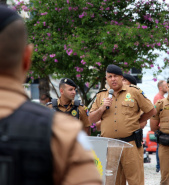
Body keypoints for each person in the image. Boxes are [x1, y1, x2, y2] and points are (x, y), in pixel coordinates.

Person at [0, 5, 101, 185]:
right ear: (27, 58)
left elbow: (88, 127)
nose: (73, 92)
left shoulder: (74, 116)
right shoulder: (62, 133)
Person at [89, 64, 156, 185]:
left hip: (130, 144)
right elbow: (91, 119)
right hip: (110, 146)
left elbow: (151, 110)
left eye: (115, 76)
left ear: (121, 77)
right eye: (110, 77)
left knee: (135, 181)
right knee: (113, 181)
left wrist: (137, 121)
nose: (113, 79)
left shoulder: (134, 92)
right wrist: (102, 108)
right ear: (106, 79)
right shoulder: (101, 95)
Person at [153, 80, 167, 173]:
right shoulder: (158, 98)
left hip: (161, 125)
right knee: (160, 146)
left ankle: (161, 166)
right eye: (166, 86)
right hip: (159, 126)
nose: (168, 87)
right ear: (160, 87)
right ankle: (159, 166)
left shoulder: (162, 97)